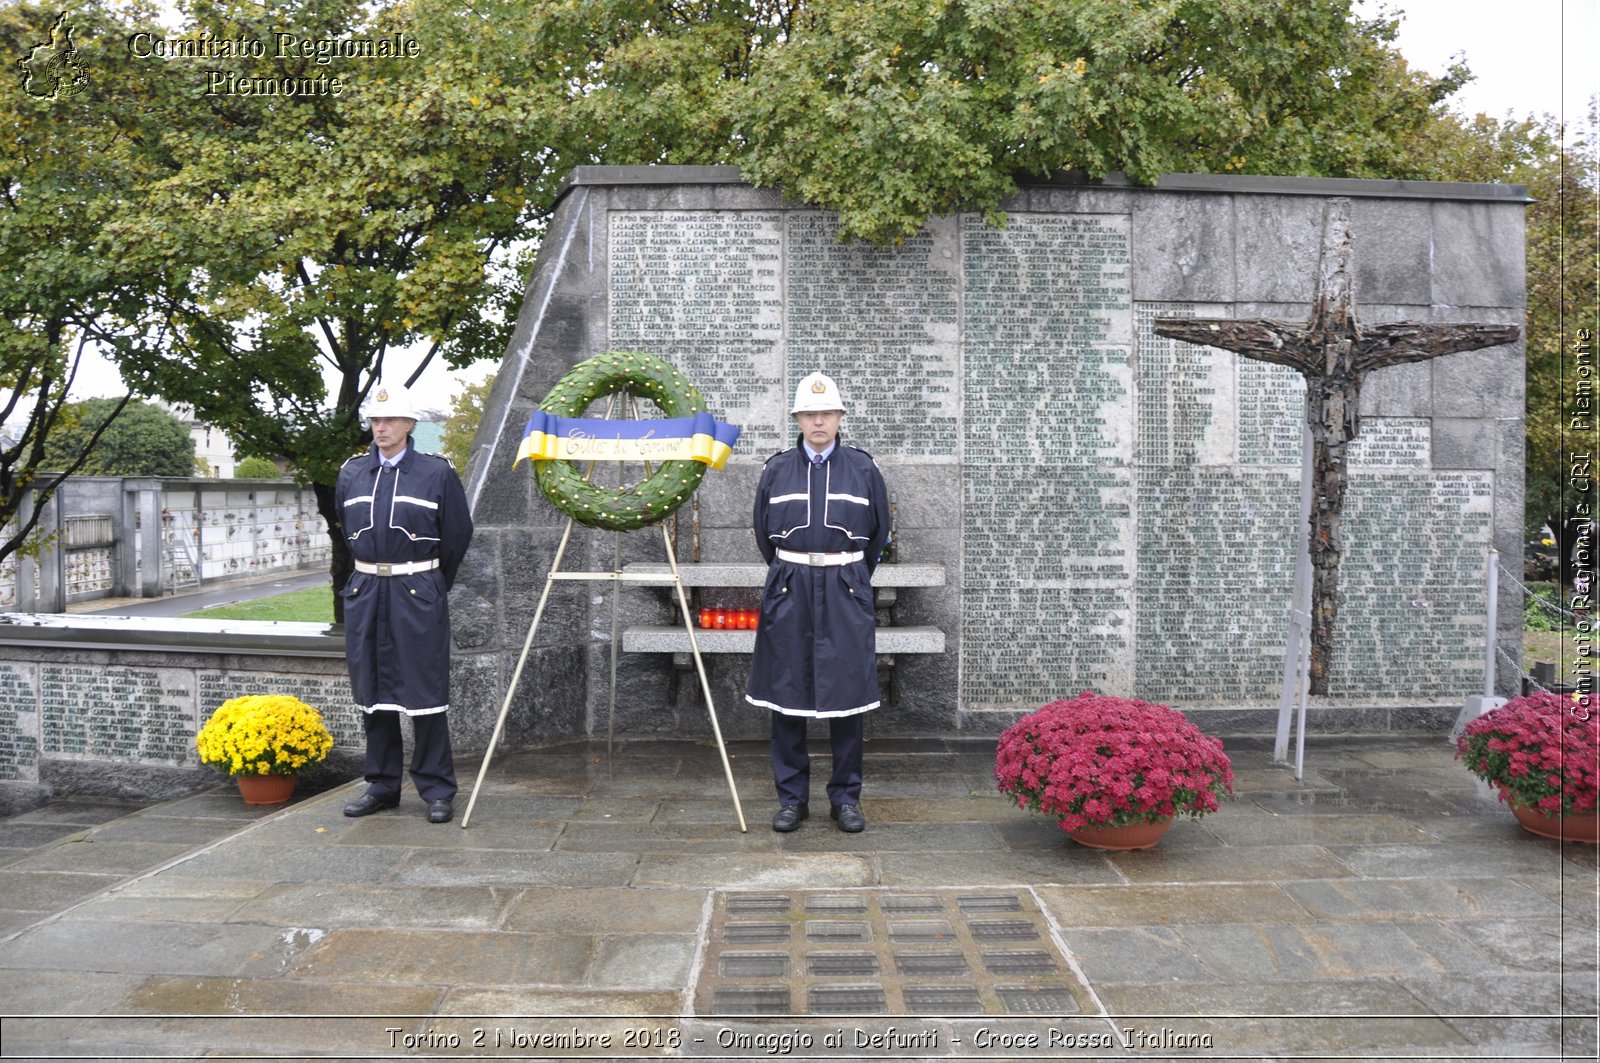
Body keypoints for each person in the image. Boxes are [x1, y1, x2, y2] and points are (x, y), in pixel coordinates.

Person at [746, 370, 890, 833]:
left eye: (826, 412)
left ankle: (846, 799)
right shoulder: (777, 468)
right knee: (786, 696)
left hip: (845, 587)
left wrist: (847, 576)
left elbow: (879, 536)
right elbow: (762, 534)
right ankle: (791, 799)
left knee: (847, 698)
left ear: (840, 416)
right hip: (790, 586)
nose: (818, 421)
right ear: (798, 418)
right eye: (810, 413)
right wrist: (796, 570)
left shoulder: (863, 468)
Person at [335, 382, 473, 823]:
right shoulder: (351, 473)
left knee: (425, 692)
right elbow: (346, 528)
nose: (382, 428)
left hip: (417, 592)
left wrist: (429, 584)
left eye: (391, 419)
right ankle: (381, 784)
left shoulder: (436, 473)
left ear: (411, 424)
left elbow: (456, 536)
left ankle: (436, 788)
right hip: (366, 592)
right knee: (372, 693)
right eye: (376, 420)